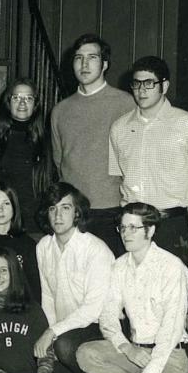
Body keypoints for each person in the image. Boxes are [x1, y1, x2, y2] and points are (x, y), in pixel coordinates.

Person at [77, 203, 188, 373]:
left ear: (150, 230)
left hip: (169, 357)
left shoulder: (172, 267)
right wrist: (127, 347)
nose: (126, 234)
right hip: (138, 353)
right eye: (123, 228)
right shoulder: (119, 267)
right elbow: (108, 317)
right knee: (87, 353)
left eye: (134, 227)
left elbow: (170, 331)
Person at [108, 56, 188, 263]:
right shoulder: (119, 128)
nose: (142, 90)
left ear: (164, 86)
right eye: (136, 84)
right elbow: (118, 176)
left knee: (169, 290)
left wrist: (183, 205)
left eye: (149, 83)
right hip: (131, 224)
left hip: (169, 223)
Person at [34, 182, 114, 373]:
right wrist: (49, 329)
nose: (58, 215)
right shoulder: (43, 247)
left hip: (103, 327)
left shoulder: (95, 249)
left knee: (64, 344)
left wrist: (52, 333)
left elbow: (92, 310)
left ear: (77, 212)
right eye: (52, 209)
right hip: (68, 328)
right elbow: (47, 296)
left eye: (65, 208)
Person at [51, 33, 134, 255]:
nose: (84, 64)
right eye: (79, 58)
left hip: (110, 211)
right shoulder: (60, 110)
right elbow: (59, 160)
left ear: (105, 63)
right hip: (73, 213)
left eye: (92, 58)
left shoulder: (125, 104)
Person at [0, 78, 55, 233]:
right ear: (8, 102)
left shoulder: (47, 141)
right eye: (16, 98)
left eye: (28, 98)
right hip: (1, 223)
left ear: (35, 105)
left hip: (35, 225)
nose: (22, 103)